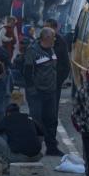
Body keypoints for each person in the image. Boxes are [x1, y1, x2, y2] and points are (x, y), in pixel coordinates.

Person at [23, 27, 62, 156]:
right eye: (53, 37)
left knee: (51, 120)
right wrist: (32, 91)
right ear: (47, 38)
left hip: (50, 92)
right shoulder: (32, 51)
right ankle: (34, 148)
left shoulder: (52, 50)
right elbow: (27, 73)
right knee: (36, 121)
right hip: (37, 93)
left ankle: (52, 148)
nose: (55, 39)